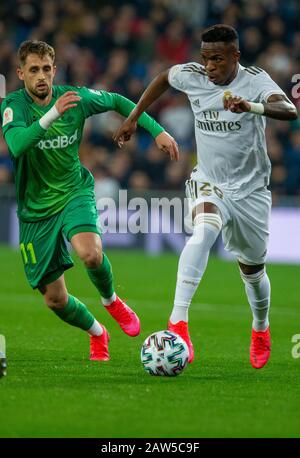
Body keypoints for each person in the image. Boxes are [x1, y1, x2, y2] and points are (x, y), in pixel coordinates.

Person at [113, 24, 298, 369]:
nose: (210, 66)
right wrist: (134, 117)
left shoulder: (255, 80)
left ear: (235, 57)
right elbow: (164, 78)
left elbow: (289, 109)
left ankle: (260, 328)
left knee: (253, 272)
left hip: (251, 190)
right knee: (203, 232)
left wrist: (251, 107)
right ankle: (178, 325)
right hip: (209, 180)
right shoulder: (193, 75)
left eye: (218, 59)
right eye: (205, 58)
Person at [1, 40, 179, 362]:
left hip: (73, 191)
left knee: (90, 253)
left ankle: (111, 301)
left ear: (54, 70)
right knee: (55, 300)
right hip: (35, 210)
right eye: (33, 70)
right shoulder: (14, 106)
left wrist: (156, 131)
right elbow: (16, 145)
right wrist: (53, 114)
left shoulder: (75, 98)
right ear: (20, 73)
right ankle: (98, 332)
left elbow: (116, 100)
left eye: (46, 69)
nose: (41, 76)